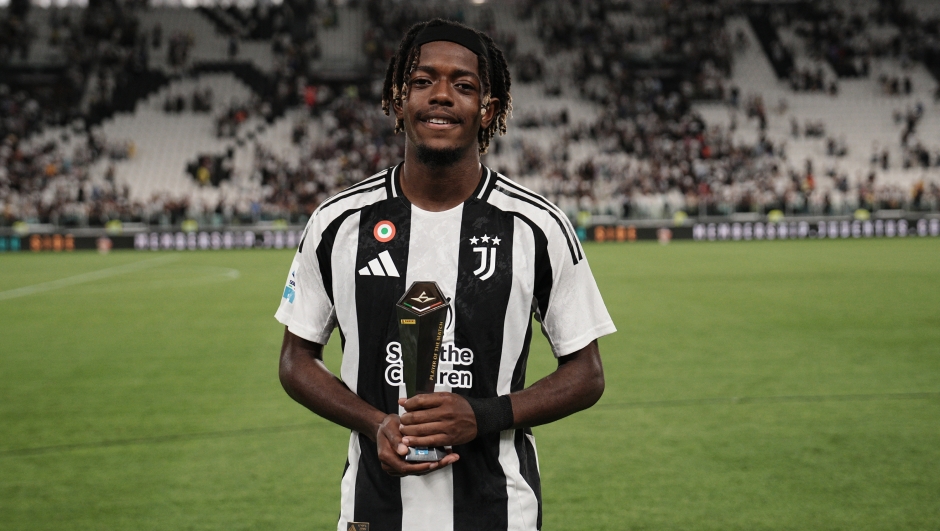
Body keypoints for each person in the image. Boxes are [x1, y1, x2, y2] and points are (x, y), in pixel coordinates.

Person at [276, 18, 616, 531]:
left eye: (463, 85)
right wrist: (375, 424)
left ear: (489, 110)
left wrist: (485, 415)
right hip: (374, 512)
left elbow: (587, 374)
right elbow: (296, 360)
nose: (440, 96)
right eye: (421, 81)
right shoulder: (338, 224)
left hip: (499, 513)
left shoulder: (536, 227)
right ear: (397, 98)